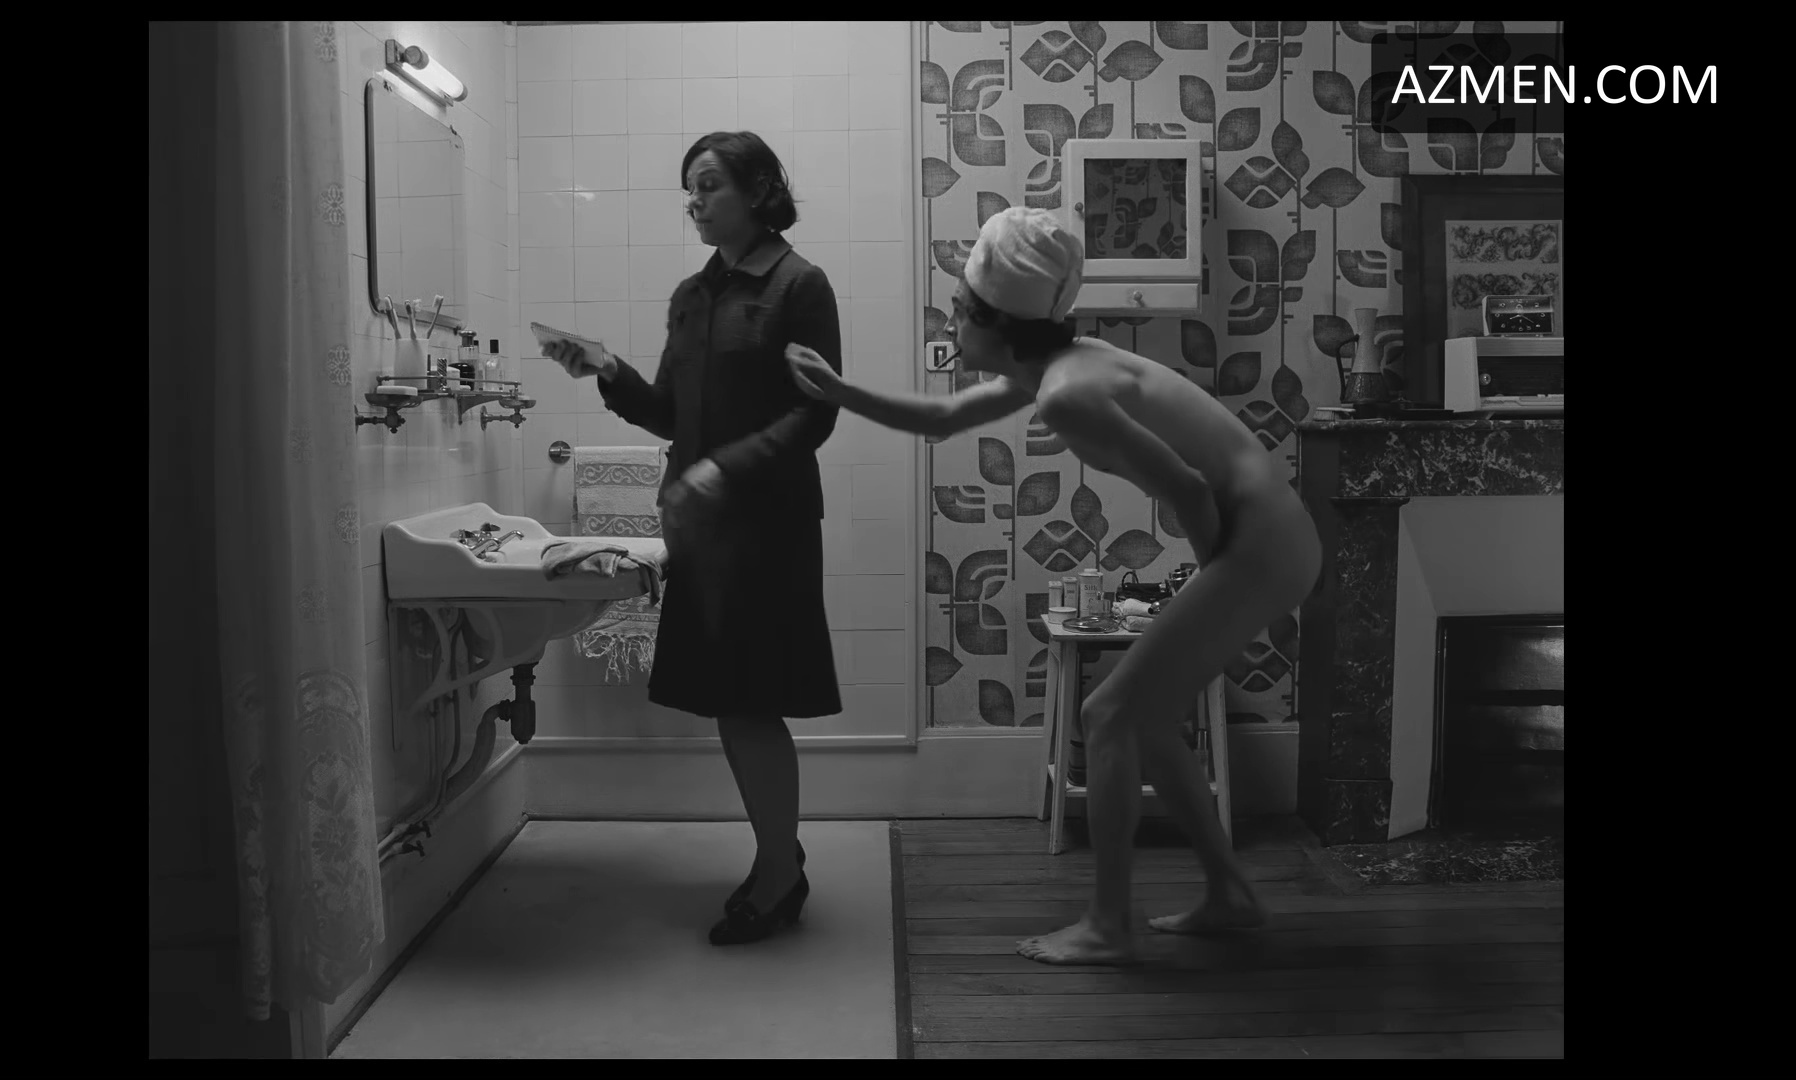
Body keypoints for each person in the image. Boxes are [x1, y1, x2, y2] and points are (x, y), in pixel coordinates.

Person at [787, 207, 1324, 965]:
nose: (950, 319)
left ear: (996, 322)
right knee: (1145, 719)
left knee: (1108, 714)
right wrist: (840, 392)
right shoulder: (1058, 367)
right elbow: (944, 415)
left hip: (1260, 545)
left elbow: (1190, 488)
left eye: (959, 308)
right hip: (1271, 539)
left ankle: (1109, 925)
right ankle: (1228, 894)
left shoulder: (1068, 392)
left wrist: (1213, 590)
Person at [545, 132, 842, 946]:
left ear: (758, 189)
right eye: (690, 188)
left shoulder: (799, 285)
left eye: (709, 185)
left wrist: (726, 469)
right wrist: (608, 371)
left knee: (751, 702)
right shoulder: (691, 294)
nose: (695, 200)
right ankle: (780, 857)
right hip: (703, 528)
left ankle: (779, 872)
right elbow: (671, 414)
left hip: (769, 525)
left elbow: (816, 412)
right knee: (733, 704)